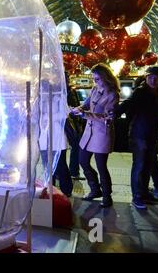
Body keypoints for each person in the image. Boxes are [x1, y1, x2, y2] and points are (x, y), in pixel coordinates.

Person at [112, 66, 158, 209]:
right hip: (140, 134)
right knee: (139, 165)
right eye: (151, 77)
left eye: (157, 77)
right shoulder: (141, 92)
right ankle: (137, 196)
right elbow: (127, 103)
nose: (154, 80)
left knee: (148, 164)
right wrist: (115, 113)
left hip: (152, 134)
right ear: (146, 77)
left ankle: (144, 194)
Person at [71, 63, 120, 208]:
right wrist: (78, 108)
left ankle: (106, 196)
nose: (95, 82)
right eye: (93, 79)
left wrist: (84, 114)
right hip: (88, 133)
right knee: (83, 161)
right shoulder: (94, 89)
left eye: (97, 79)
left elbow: (107, 117)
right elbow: (86, 105)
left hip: (102, 133)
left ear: (106, 78)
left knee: (101, 166)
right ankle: (95, 189)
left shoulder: (112, 94)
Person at [39, 81, 73, 198]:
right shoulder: (39, 100)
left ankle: (66, 190)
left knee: (60, 165)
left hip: (56, 135)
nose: (43, 91)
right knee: (46, 165)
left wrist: (48, 118)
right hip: (44, 137)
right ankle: (49, 188)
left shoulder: (59, 98)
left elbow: (64, 114)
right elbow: (35, 115)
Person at [65, 73, 84, 180]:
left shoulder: (71, 90)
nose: (67, 80)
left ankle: (74, 171)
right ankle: (71, 172)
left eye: (67, 78)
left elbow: (77, 104)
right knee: (73, 146)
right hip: (66, 122)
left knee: (76, 146)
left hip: (74, 121)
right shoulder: (60, 91)